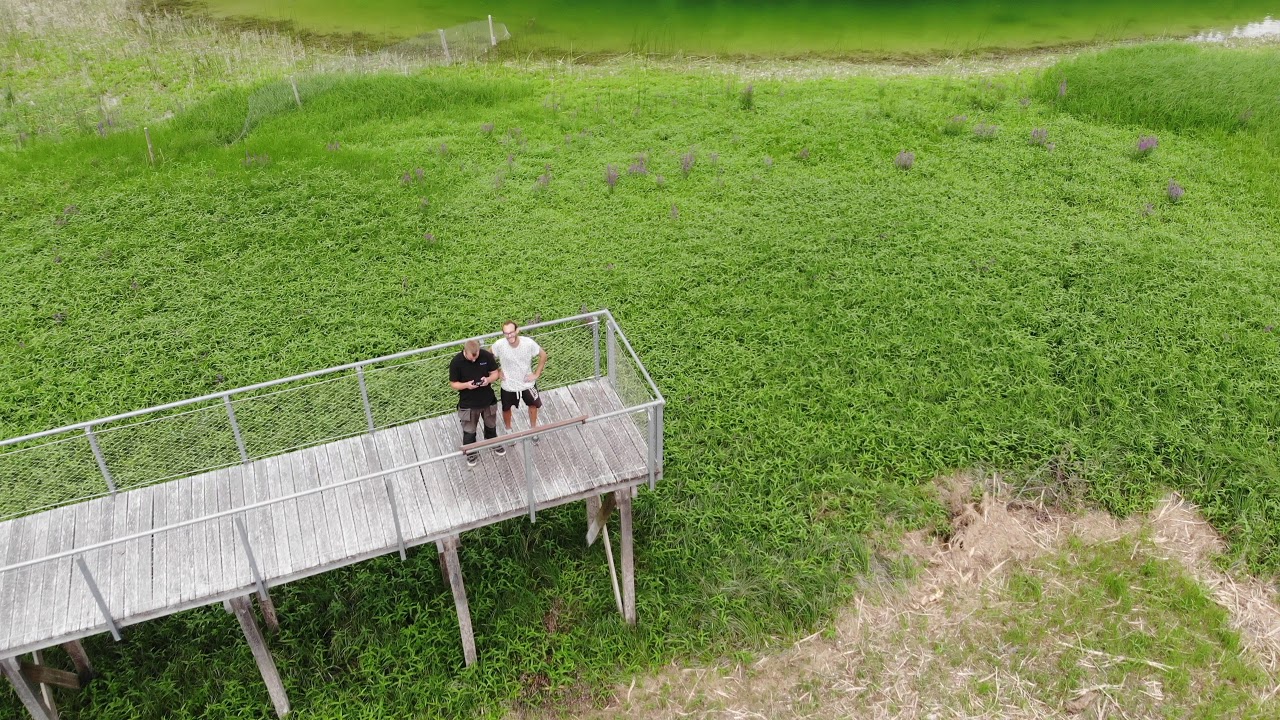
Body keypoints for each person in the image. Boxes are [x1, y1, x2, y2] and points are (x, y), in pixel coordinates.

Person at [448, 339, 504, 467]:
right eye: (470, 357)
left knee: (491, 425)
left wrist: (488, 379)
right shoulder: (456, 362)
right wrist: (467, 385)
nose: (474, 360)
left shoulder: (486, 356)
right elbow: (453, 384)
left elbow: (495, 373)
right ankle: (471, 452)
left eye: (476, 356)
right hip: (468, 404)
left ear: (479, 350)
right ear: (465, 351)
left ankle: (492, 442)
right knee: (469, 431)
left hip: (488, 399)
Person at [492, 320, 548, 434]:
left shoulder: (528, 343)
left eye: (511, 332)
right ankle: (508, 430)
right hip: (508, 384)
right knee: (506, 408)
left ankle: (533, 429)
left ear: (517, 330)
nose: (509, 335)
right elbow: (488, 358)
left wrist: (536, 374)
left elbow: (543, 355)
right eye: (506, 333)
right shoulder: (499, 344)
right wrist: (497, 372)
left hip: (527, 383)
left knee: (533, 405)